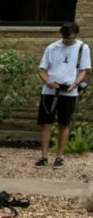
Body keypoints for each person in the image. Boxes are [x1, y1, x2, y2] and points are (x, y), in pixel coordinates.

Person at [36, 22, 91, 170]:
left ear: (76, 35)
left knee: (64, 124)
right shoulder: (52, 48)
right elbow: (41, 69)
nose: (68, 41)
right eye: (66, 38)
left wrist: (75, 84)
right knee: (46, 124)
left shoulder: (82, 48)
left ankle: (59, 157)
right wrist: (48, 82)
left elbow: (83, 70)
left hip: (69, 92)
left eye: (71, 38)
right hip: (50, 91)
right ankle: (44, 157)